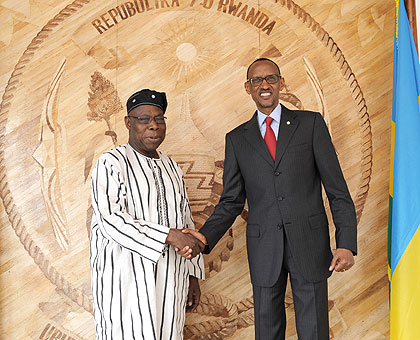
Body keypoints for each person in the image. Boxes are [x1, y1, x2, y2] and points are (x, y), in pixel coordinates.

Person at [181, 58, 357, 340]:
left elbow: (337, 191)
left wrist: (346, 244)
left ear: (281, 83)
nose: (264, 85)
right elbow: (231, 201)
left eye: (271, 79)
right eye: (257, 81)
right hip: (264, 250)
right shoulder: (237, 139)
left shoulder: (310, 124)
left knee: (314, 332)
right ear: (247, 88)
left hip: (310, 245)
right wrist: (204, 237)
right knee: (267, 333)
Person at [90, 89, 205, 340]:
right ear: (128, 123)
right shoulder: (111, 162)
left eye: (159, 118)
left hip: (172, 277)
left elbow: (185, 220)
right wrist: (168, 236)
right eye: (144, 119)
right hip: (126, 279)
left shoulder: (171, 165)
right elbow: (111, 220)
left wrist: (193, 275)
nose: (153, 126)